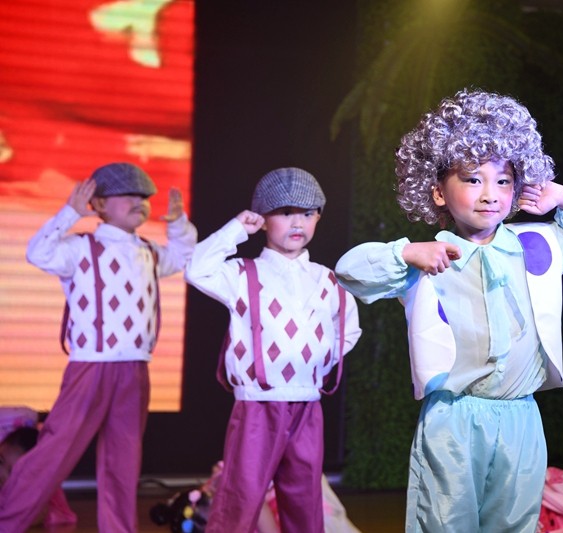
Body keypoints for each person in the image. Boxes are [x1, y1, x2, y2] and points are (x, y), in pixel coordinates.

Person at [334, 88, 563, 532]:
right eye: (472, 180)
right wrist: (405, 252)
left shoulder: (537, 245)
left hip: (520, 418)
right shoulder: (428, 257)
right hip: (453, 420)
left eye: (503, 181)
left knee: (514, 525)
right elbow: (349, 271)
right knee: (444, 524)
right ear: (437, 191)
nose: (490, 194)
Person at [0, 162, 198, 532]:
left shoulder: (149, 251)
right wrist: (69, 213)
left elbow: (186, 258)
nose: (138, 202)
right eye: (127, 195)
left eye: (143, 197)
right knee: (53, 453)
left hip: (135, 368)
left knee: (124, 460)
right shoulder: (80, 248)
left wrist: (177, 224)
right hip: (90, 367)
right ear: (100, 204)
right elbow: (38, 252)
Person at [184, 167, 362, 533]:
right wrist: (237, 229)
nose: (297, 222)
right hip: (258, 404)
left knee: (305, 502)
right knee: (240, 499)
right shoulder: (242, 273)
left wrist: (316, 361)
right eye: (284, 212)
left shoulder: (328, 278)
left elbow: (349, 328)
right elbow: (196, 269)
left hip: (307, 403)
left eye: (308, 213)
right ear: (263, 219)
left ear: (319, 217)